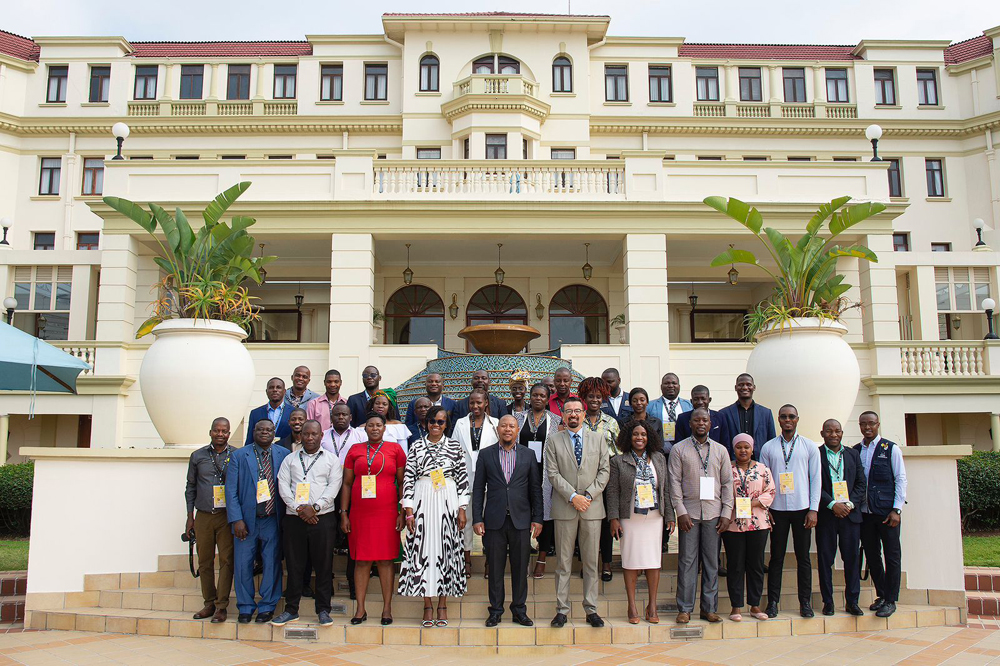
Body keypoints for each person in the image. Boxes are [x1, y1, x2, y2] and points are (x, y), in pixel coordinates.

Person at [399, 406, 470, 627]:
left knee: (445, 550)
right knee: (424, 550)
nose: (436, 425)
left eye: (440, 422)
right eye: (432, 421)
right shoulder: (417, 446)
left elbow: (462, 479)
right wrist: (409, 511)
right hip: (422, 500)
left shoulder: (455, 446)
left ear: (446, 424)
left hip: (447, 501)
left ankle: (442, 604)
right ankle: (427, 604)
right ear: (426, 423)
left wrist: (461, 508)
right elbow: (409, 478)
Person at [545, 397, 611, 629]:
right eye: (568, 411)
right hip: (566, 508)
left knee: (591, 562)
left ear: (584, 414)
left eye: (577, 411)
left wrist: (589, 496)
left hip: (592, 509)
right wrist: (574, 496)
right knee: (563, 563)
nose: (573, 415)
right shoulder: (553, 441)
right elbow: (552, 474)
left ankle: (591, 609)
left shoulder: (599, 439)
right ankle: (562, 610)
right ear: (562, 415)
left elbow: (604, 471)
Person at [473, 414, 543, 627]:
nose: (507, 429)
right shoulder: (485, 455)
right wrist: (477, 518)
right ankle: (495, 610)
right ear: (498, 429)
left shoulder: (528, 455)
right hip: (494, 520)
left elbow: (535, 489)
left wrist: (537, 518)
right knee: (494, 569)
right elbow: (478, 488)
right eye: (503, 425)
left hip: (521, 520)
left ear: (517, 429)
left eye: (512, 426)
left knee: (520, 569)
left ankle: (519, 610)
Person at [271, 420, 343, 627]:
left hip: (323, 518)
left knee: (323, 565)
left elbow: (333, 487)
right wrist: (299, 509)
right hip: (295, 519)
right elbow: (283, 485)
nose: (310, 438)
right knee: (294, 565)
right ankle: (291, 610)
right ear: (300, 436)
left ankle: (323, 610)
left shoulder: (331, 460)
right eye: (306, 434)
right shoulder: (290, 459)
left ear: (322, 436)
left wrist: (316, 508)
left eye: (314, 434)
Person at [668, 408, 733, 624]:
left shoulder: (721, 450)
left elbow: (727, 483)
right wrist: (681, 511)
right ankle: (685, 609)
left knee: (712, 562)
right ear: (690, 424)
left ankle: (709, 608)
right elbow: (674, 482)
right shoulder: (679, 449)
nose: (701, 423)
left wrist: (726, 512)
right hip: (690, 514)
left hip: (714, 514)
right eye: (697, 420)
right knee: (687, 562)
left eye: (705, 420)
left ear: (710, 423)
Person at [340, 412, 406, 626]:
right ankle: (360, 608)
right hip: (360, 514)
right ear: (364, 428)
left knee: (386, 561)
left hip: (387, 513)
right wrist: (344, 513)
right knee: (361, 560)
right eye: (370, 425)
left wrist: (402, 512)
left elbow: (402, 483)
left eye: (379, 425)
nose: (375, 428)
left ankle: (387, 608)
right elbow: (347, 484)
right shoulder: (355, 450)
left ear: (384, 428)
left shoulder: (395, 450)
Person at [607, 419, 674, 625]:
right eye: (635, 434)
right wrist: (613, 518)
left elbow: (666, 489)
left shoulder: (659, 459)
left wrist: (670, 516)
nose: (639, 438)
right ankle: (632, 605)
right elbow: (612, 491)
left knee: (654, 561)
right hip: (630, 518)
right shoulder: (618, 461)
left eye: (643, 435)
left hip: (655, 517)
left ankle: (652, 605)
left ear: (649, 437)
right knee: (631, 560)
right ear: (629, 437)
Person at [225, 419, 290, 624]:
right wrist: (236, 519)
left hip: (272, 519)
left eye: (269, 430)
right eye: (260, 429)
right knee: (243, 564)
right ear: (254, 431)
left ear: (274, 433)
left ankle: (267, 606)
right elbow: (231, 490)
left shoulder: (283, 454)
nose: (264, 432)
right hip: (246, 520)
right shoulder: (239, 456)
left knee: (272, 564)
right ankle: (245, 606)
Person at [759, 404, 821, 619]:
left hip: (802, 509)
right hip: (777, 510)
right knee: (776, 558)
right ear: (778, 419)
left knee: (803, 558)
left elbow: (816, 479)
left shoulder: (809, 446)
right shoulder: (768, 447)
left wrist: (813, 509)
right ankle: (773, 602)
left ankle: (805, 602)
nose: (787, 420)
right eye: (783, 416)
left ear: (797, 419)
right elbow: (764, 481)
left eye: (791, 417)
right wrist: (767, 509)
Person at [855, 411, 907, 618]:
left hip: (887, 513)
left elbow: (900, 479)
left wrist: (897, 509)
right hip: (865, 513)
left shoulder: (890, 448)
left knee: (892, 555)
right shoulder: (856, 450)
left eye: (871, 424)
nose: (867, 428)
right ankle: (882, 595)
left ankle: (891, 599)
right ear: (859, 426)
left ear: (878, 424)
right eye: (863, 424)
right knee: (872, 555)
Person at [184, 417, 235, 624]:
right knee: (204, 561)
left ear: (229, 434)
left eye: (224, 431)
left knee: (226, 560)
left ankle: (222, 606)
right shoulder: (198, 456)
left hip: (226, 516)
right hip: (204, 515)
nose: (220, 434)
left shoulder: (237, 455)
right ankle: (209, 602)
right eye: (217, 431)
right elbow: (190, 487)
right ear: (211, 432)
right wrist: (190, 517)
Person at [817, 419, 866, 617]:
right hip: (827, 516)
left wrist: (849, 505)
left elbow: (861, 483)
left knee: (852, 560)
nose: (834, 435)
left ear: (842, 433)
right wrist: (832, 504)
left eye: (837, 431)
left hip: (850, 516)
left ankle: (852, 601)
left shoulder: (853, 454)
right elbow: (813, 484)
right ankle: (828, 602)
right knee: (824, 560)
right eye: (829, 431)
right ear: (822, 434)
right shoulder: (817, 455)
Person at [723, 434, 775, 622]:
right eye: (739, 447)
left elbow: (771, 491)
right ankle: (735, 607)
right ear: (734, 449)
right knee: (735, 566)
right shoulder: (727, 468)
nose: (743, 451)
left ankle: (754, 605)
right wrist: (734, 503)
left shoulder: (763, 469)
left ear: (752, 449)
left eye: (746, 447)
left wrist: (753, 502)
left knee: (756, 565)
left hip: (758, 523)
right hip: (732, 524)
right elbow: (721, 490)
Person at [514, 383, 562, 578]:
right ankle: (524, 556)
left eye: (542, 396)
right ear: (530, 397)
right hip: (521, 473)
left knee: (546, 515)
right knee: (522, 515)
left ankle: (542, 558)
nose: (538, 398)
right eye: (535, 395)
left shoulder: (556, 420)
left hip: (546, 473)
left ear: (547, 398)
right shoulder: (518, 418)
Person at [454, 388, 500, 577]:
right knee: (466, 521)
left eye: (479, 402)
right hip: (465, 480)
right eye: (472, 402)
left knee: (490, 521)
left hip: (489, 481)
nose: (475, 406)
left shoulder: (495, 423)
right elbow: (455, 452)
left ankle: (489, 561)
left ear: (486, 403)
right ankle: (466, 561)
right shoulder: (460, 423)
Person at [578, 376, 621, 582]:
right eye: (590, 396)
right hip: (582, 478)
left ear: (604, 398)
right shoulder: (577, 420)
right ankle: (587, 563)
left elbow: (618, 451)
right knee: (584, 522)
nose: (594, 400)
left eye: (598, 397)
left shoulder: (611, 422)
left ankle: (606, 562)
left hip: (606, 479)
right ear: (583, 398)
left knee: (604, 522)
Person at [319, 402, 356, 584]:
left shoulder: (359, 436)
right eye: (337, 415)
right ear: (331, 417)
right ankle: (327, 580)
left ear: (351, 417)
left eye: (344, 415)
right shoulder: (322, 437)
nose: (340, 418)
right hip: (325, 492)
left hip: (352, 490)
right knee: (328, 537)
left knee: (352, 535)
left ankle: (352, 580)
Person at [717, 373, 776, 460]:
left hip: (759, 463)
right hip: (733, 464)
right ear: (735, 387)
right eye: (741, 385)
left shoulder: (766, 413)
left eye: (748, 385)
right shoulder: (724, 414)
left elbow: (772, 442)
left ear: (754, 387)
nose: (745, 387)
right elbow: (721, 443)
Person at [346, 390, 412, 455]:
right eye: (377, 403)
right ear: (372, 406)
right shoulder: (361, 428)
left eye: (384, 404)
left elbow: (403, 454)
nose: (380, 406)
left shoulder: (398, 426)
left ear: (389, 407)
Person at [647, 373, 692, 448]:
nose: (671, 386)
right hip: (659, 451)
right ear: (661, 387)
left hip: (684, 450)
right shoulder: (650, 406)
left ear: (679, 387)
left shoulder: (689, 405)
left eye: (674, 383)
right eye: (667, 383)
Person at [245, 378, 292, 445]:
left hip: (286, 452)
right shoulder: (255, 413)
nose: (275, 390)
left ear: (284, 391)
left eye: (278, 387)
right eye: (271, 387)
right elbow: (250, 439)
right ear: (266, 391)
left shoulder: (293, 412)